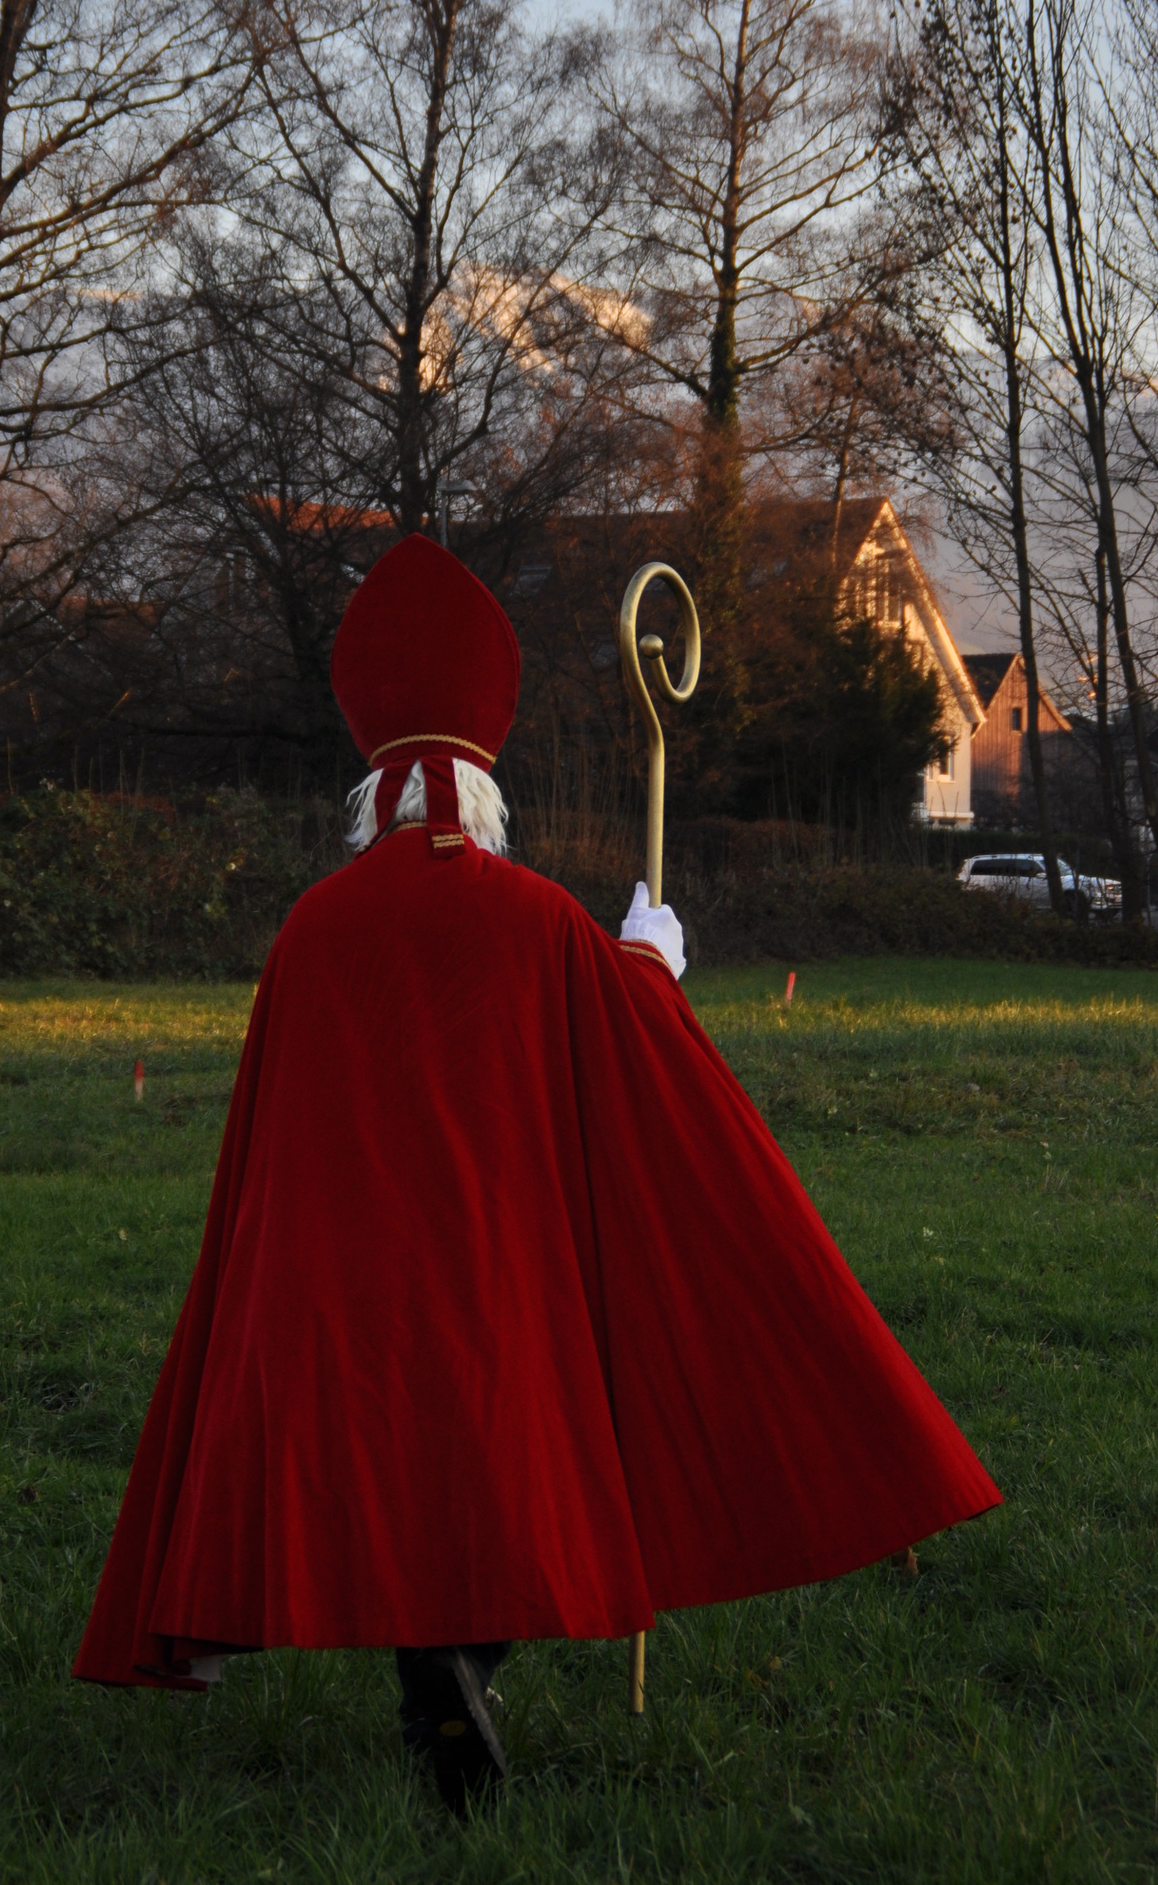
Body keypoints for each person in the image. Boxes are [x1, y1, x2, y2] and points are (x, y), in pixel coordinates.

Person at [73, 535, 1000, 1814]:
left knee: (386, 1450)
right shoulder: (537, 916)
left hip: (332, 1276)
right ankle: (460, 1657)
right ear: (484, 780)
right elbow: (624, 1051)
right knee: (502, 1452)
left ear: (374, 786)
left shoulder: (312, 926)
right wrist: (650, 961)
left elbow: (270, 1134)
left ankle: (436, 1666)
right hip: (498, 1259)